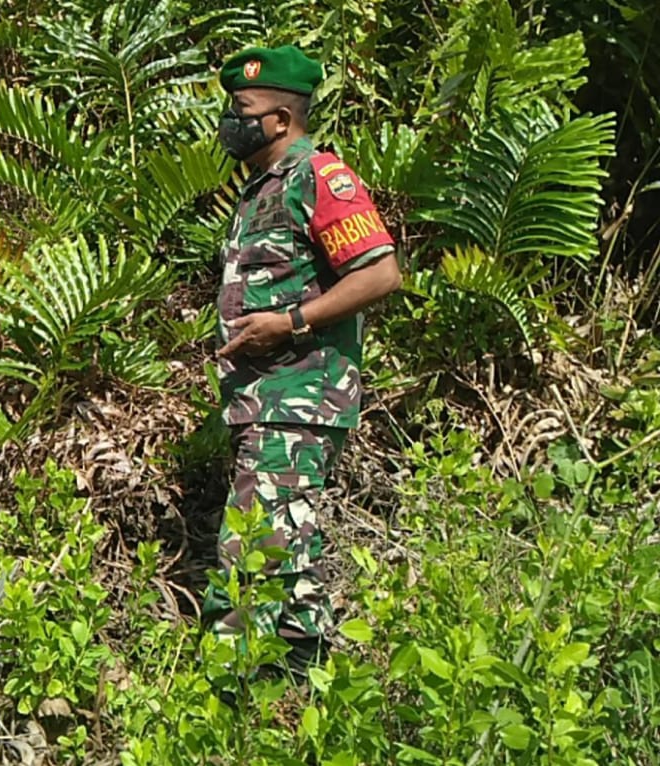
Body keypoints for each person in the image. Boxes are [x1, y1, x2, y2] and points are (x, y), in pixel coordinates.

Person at [201, 44, 402, 680]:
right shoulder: (262, 189)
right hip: (265, 402)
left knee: (252, 552)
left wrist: (290, 322)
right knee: (288, 555)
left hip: (298, 397)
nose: (231, 122)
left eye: (243, 110)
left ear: (282, 120)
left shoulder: (319, 177)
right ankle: (302, 689)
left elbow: (380, 274)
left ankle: (225, 697)